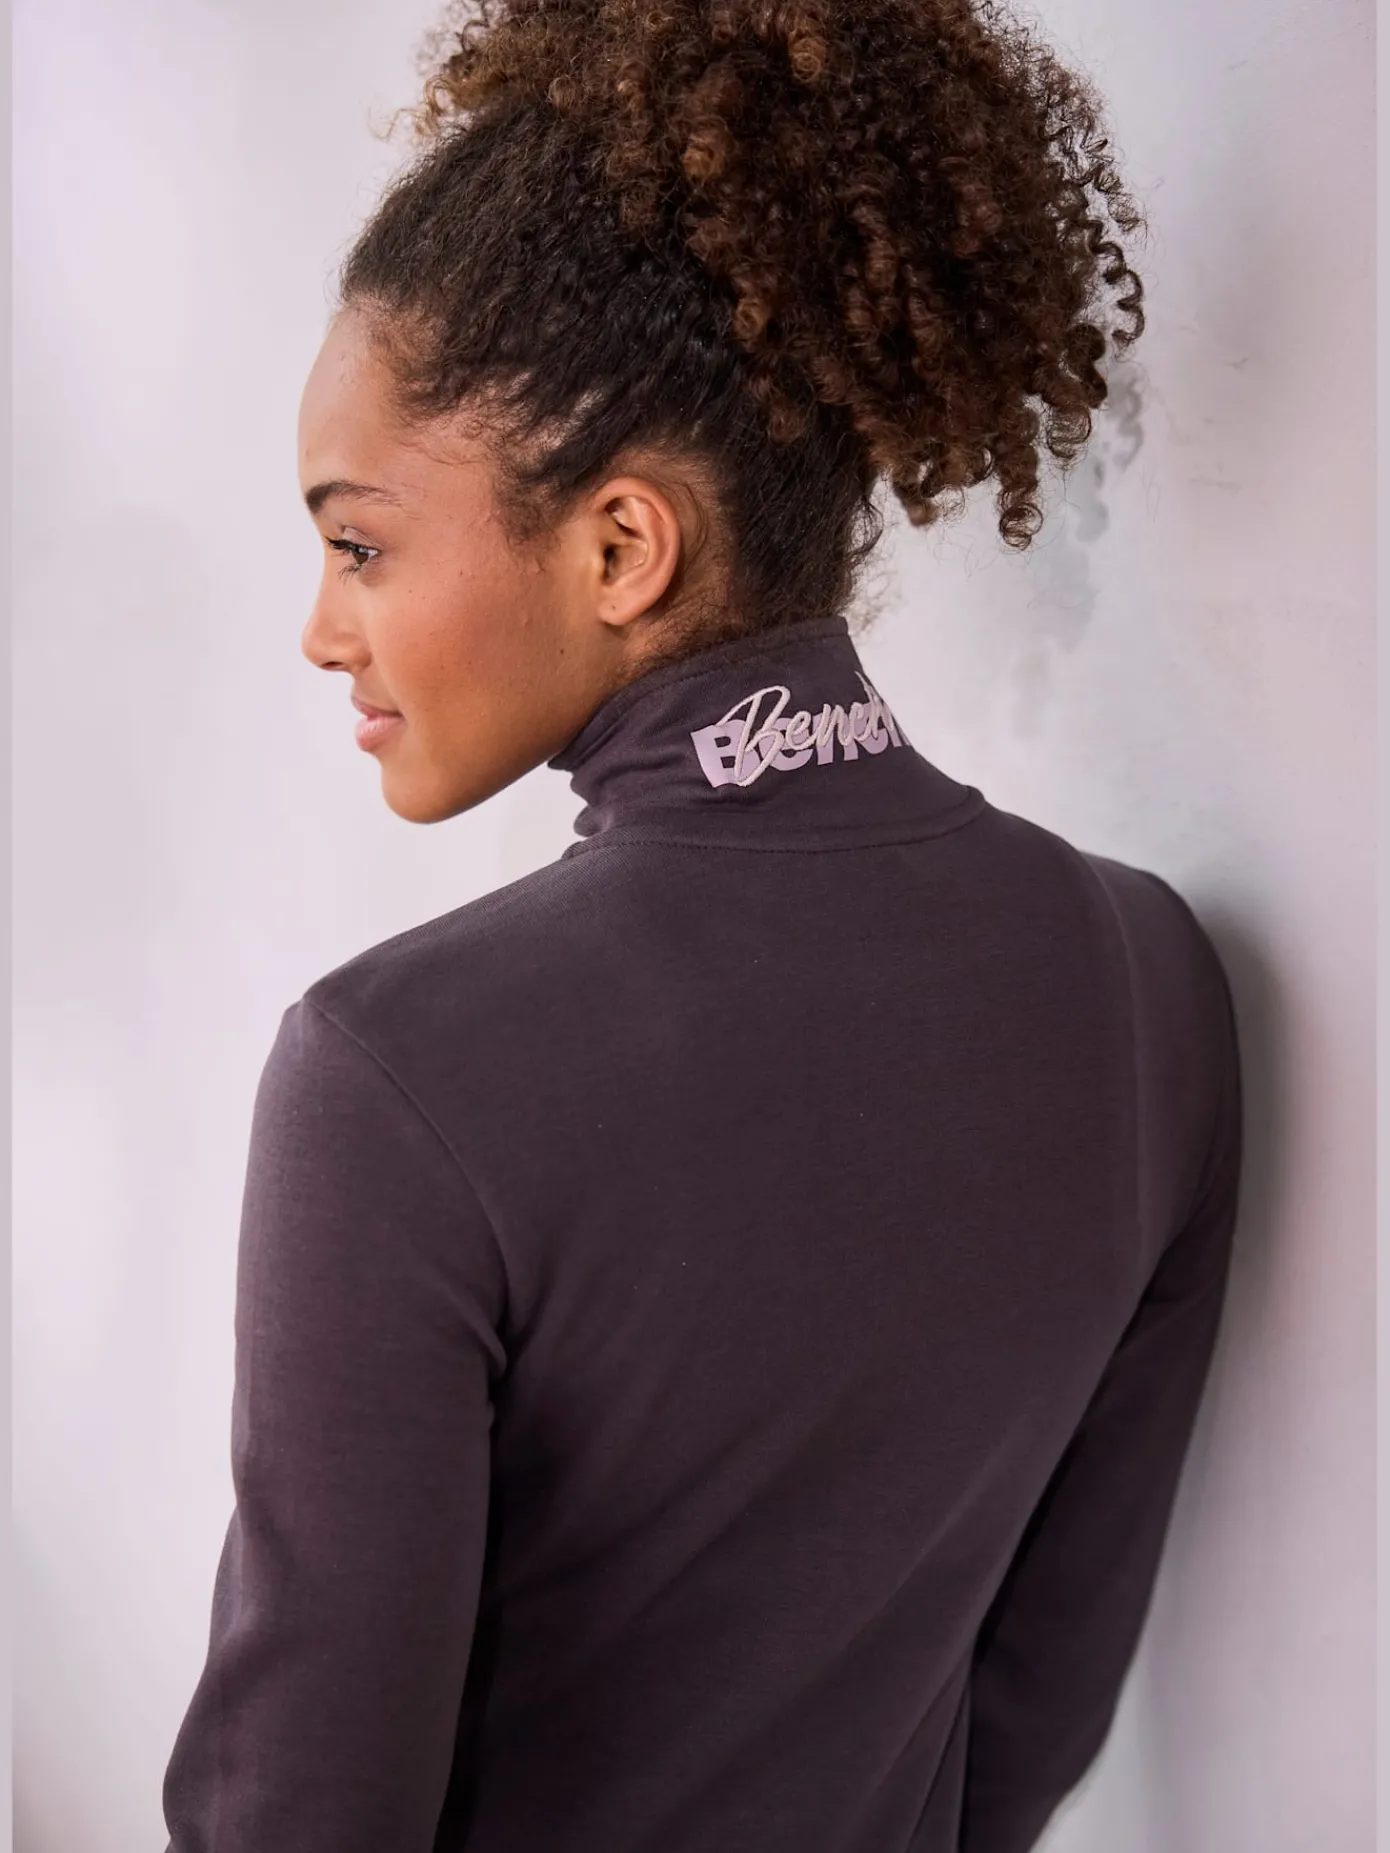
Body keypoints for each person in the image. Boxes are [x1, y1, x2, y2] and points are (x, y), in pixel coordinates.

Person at [160, 2, 1243, 1849]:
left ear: (620, 547)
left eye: (359, 544)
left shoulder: (395, 1079)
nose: (323, 630)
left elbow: (304, 1812)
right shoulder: (1148, 983)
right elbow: (1036, 1702)